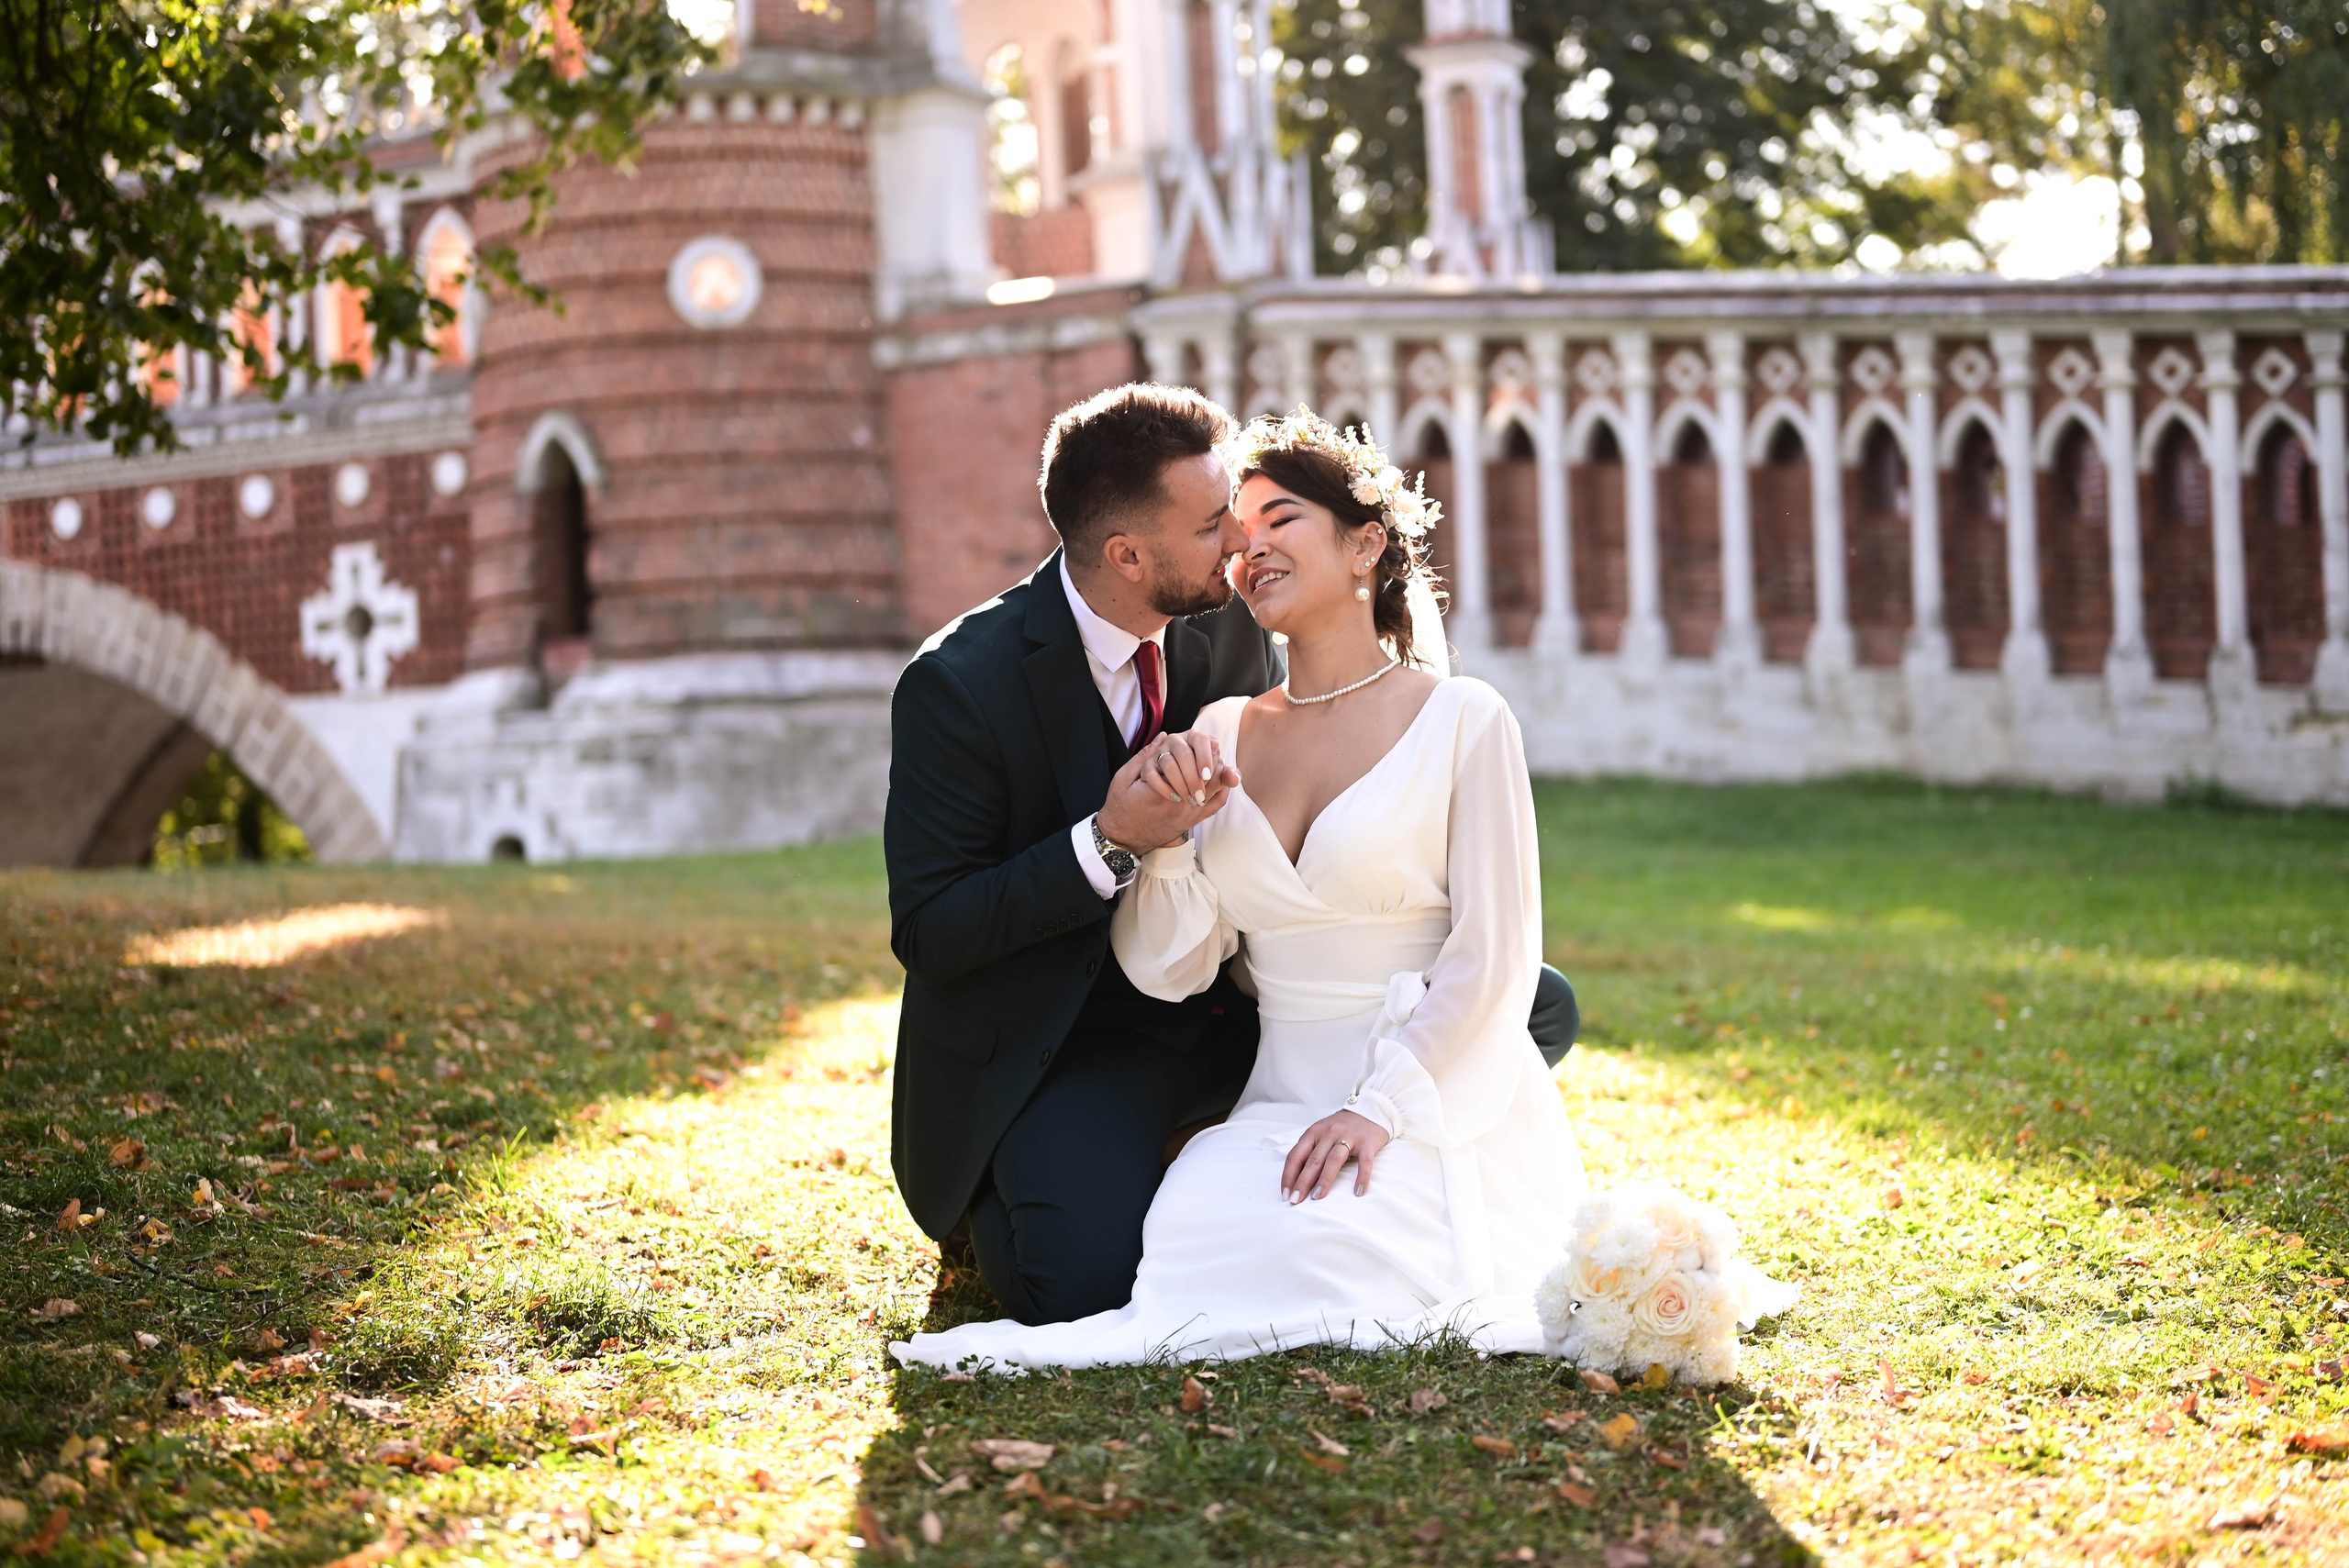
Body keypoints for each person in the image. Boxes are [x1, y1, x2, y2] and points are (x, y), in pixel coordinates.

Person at [892, 409, 1587, 1370]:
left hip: (1249, 1015)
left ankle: (1363, 1134)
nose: (1240, 548)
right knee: (1085, 1284)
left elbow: (1480, 943)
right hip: (1074, 1024)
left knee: (1530, 1001)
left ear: (1366, 545)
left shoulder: (1254, 639)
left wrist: (1378, 1101)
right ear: (1129, 554)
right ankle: (1028, 1168)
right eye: (1222, 522)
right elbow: (935, 929)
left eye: (1264, 522)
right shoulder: (961, 684)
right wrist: (1124, 840)